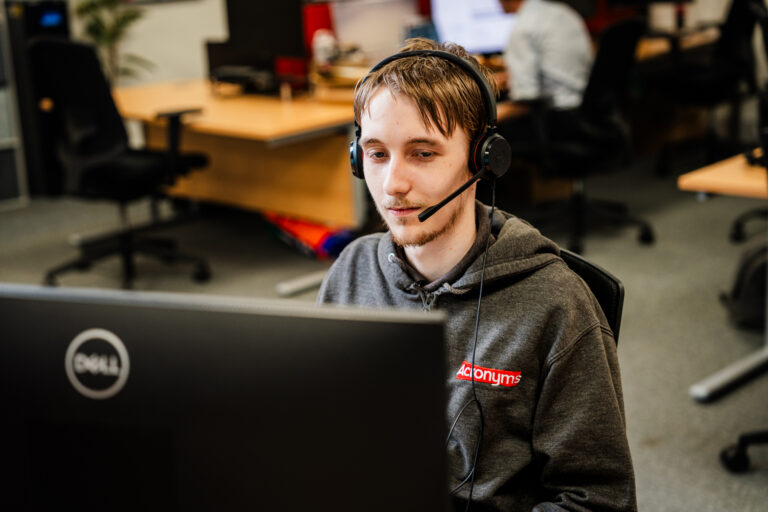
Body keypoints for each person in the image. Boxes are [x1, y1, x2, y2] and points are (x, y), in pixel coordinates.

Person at [317, 37, 636, 511]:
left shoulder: (556, 304)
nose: (392, 184)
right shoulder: (352, 270)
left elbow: (599, 500)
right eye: (377, 153)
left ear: (483, 159)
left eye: (423, 153)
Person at [499, 0, 593, 109]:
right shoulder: (563, 12)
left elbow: (525, 98)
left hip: (555, 114)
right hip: (585, 106)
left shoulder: (523, 27)